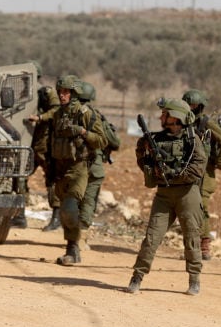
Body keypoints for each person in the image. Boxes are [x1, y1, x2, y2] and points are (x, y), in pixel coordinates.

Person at [127, 98, 207, 295]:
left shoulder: (192, 140)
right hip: (163, 195)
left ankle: (194, 279)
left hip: (187, 194)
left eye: (165, 114)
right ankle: (137, 276)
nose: (161, 117)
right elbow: (143, 165)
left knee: (192, 238)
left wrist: (175, 173)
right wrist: (144, 153)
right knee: (151, 238)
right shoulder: (156, 139)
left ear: (176, 118)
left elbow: (198, 167)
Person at [45, 75, 106, 266]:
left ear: (74, 93)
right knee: (64, 210)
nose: (62, 96)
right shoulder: (57, 114)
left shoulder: (86, 113)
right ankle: (72, 250)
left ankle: (73, 248)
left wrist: (83, 132)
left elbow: (101, 140)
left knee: (70, 207)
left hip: (79, 167)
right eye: (60, 92)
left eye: (66, 92)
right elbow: (51, 142)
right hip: (60, 167)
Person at [182, 89, 221, 261]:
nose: (191, 107)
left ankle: (203, 247)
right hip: (189, 172)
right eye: (188, 104)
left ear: (200, 106)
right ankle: (194, 245)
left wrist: (219, 163)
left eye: (194, 105)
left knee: (201, 208)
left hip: (205, 175)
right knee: (188, 208)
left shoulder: (206, 122)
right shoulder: (183, 122)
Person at [75, 81, 120, 234]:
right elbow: (114, 142)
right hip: (93, 162)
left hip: (71, 162)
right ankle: (81, 234)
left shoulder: (69, 112)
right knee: (89, 198)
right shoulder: (96, 115)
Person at [27, 85, 62, 231]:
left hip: (47, 149)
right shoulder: (29, 94)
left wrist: (40, 117)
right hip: (34, 147)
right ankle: (19, 217)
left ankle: (56, 218)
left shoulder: (47, 92)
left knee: (52, 181)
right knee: (20, 178)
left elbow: (56, 110)